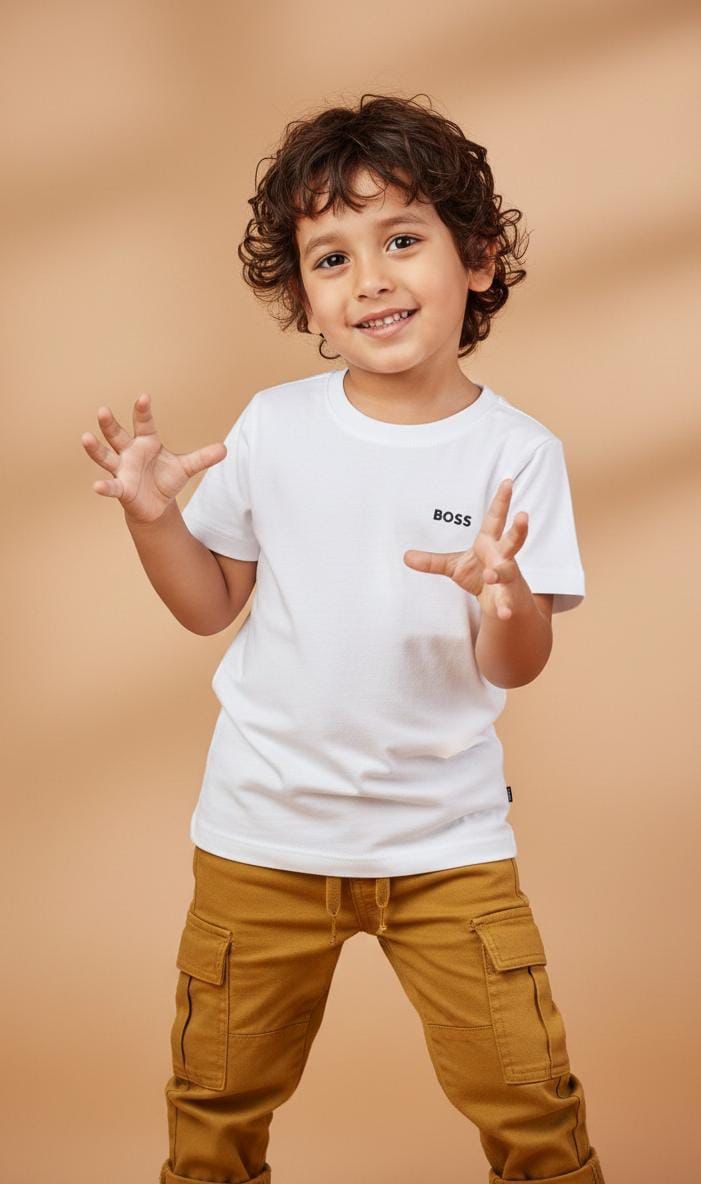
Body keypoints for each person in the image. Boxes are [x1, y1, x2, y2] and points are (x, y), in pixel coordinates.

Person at [81, 93, 606, 1184]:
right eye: (331, 258)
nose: (368, 278)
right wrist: (154, 519)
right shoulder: (275, 425)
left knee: (530, 1104)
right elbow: (209, 604)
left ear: (479, 259)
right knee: (214, 1108)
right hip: (261, 835)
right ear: (305, 300)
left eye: (401, 240)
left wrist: (502, 595)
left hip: (446, 844)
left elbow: (512, 664)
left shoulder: (517, 454)